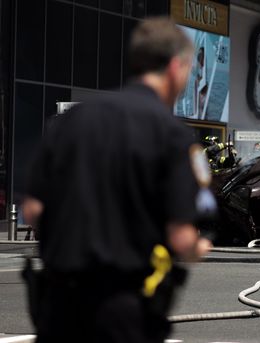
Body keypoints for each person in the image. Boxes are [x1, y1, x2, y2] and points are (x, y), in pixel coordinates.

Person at [21, 18, 213, 343]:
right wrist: (199, 246)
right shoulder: (173, 136)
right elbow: (182, 238)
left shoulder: (73, 121)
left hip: (59, 305)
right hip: (124, 311)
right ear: (175, 67)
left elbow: (32, 210)